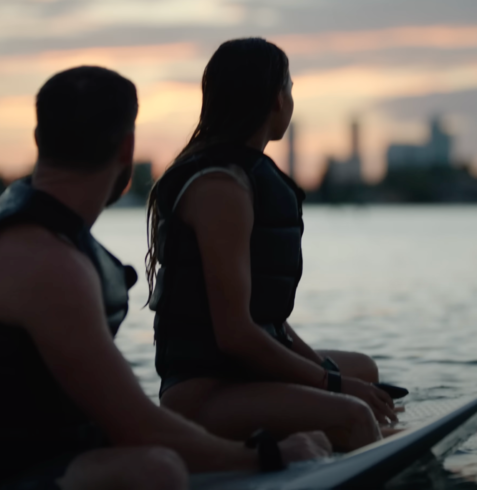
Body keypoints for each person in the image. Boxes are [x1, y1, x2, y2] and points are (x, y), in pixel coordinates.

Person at [0, 66, 329, 490]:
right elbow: (140, 427)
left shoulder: (28, 227)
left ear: (40, 141)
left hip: (31, 460)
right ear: (126, 148)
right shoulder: (48, 264)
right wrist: (270, 455)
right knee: (155, 470)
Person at [146, 38, 399, 453]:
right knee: (353, 413)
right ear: (277, 100)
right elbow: (235, 336)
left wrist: (338, 378)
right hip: (204, 396)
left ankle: (348, 436)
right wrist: (335, 386)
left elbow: (268, 323)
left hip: (244, 377)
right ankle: (368, 440)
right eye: (291, 89)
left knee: (365, 371)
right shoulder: (220, 187)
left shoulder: (245, 176)